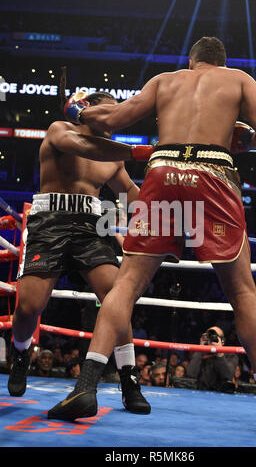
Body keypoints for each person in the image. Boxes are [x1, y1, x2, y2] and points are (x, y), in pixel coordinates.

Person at [48, 36, 256, 433]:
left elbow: (110, 121)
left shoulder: (165, 80)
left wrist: (78, 109)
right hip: (214, 174)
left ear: (191, 62)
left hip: (162, 170)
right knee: (244, 293)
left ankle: (85, 387)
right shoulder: (238, 80)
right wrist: (244, 139)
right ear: (221, 62)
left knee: (126, 285)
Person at [7, 91, 151, 415]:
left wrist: (151, 215)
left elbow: (128, 191)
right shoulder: (59, 130)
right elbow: (81, 145)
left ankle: (129, 378)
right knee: (29, 307)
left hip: (91, 226)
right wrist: (135, 150)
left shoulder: (113, 157)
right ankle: (20, 351)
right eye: (111, 113)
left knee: (118, 296)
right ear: (90, 111)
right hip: (49, 223)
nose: (117, 120)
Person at [186, 326, 233, 391]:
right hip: (200, 394)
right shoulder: (201, 353)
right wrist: (200, 347)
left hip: (220, 396)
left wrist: (219, 353)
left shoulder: (231, 355)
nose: (212, 338)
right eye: (210, 336)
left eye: (215, 336)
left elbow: (227, 377)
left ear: (223, 341)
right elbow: (191, 374)